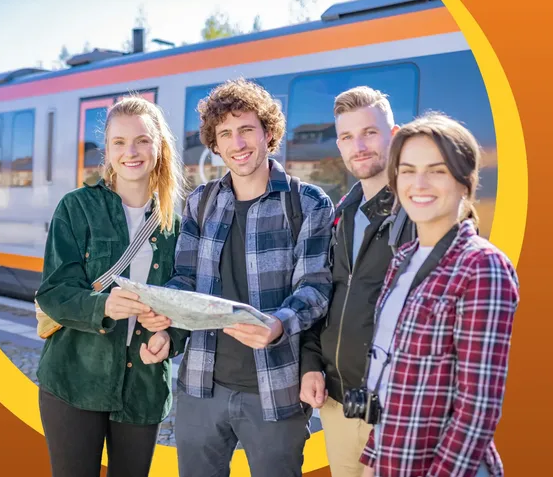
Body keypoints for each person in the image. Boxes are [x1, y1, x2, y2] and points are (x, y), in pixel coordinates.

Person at [139, 77, 335, 477]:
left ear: (268, 133)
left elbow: (316, 287)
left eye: (246, 129)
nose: (237, 143)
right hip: (200, 386)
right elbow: (185, 277)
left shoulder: (307, 202)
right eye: (225, 134)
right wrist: (164, 316)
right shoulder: (202, 201)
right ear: (214, 143)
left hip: (275, 389)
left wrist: (279, 324)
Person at [33, 95, 189, 477]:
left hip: (143, 388)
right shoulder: (77, 207)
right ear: (108, 151)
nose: (130, 152)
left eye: (142, 141)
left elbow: (185, 302)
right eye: (119, 142)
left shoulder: (175, 224)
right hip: (75, 380)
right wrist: (102, 306)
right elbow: (54, 292)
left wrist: (171, 338)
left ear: (159, 147)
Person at [358, 113, 520, 477]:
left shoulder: (481, 266)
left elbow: (478, 408)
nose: (420, 183)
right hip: (392, 459)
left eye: (438, 170)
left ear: (465, 183)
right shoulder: (403, 259)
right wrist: (372, 459)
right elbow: (393, 376)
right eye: (407, 169)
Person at [298, 86, 415, 477]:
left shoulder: (417, 212)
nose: (358, 146)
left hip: (397, 409)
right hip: (339, 405)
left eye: (369, 132)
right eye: (347, 136)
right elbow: (324, 300)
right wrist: (312, 363)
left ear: (394, 135)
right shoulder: (341, 215)